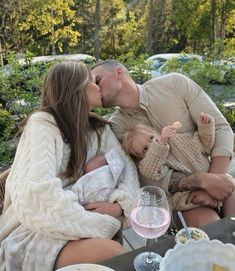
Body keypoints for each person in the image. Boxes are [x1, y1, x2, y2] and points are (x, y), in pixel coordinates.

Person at [0, 61, 139, 271]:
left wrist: (120, 206)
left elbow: (127, 169)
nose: (99, 87)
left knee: (118, 259)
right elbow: (36, 197)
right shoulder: (43, 125)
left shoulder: (99, 129)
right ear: (77, 88)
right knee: (116, 256)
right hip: (35, 229)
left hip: (78, 222)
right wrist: (103, 223)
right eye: (93, 82)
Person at [92, 59, 235, 228]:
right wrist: (199, 181)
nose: (95, 88)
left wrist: (213, 182)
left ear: (118, 73)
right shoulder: (115, 128)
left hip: (222, 172)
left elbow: (220, 128)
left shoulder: (174, 83)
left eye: (97, 80)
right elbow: (141, 176)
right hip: (178, 198)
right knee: (210, 227)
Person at [122, 113, 221, 215]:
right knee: (187, 202)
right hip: (190, 192)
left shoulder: (178, 139)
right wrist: (160, 143)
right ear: (140, 158)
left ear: (155, 132)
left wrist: (205, 127)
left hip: (211, 175)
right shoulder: (152, 163)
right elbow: (150, 171)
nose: (151, 146)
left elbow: (204, 146)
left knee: (231, 188)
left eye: (151, 138)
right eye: (145, 149)